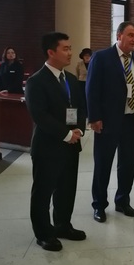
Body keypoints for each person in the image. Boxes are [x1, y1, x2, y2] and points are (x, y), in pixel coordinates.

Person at [25, 32, 86, 251]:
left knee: (67, 189)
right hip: (48, 147)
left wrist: (79, 128)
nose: (70, 53)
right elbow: (40, 116)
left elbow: (80, 107)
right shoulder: (36, 81)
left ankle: (63, 225)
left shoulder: (70, 79)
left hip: (71, 145)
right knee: (43, 192)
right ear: (51, 52)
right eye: (65, 49)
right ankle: (43, 233)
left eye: (70, 48)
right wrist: (67, 134)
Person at [86, 21, 134, 223]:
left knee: (128, 164)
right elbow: (92, 89)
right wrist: (94, 117)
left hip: (131, 120)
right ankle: (99, 205)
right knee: (103, 164)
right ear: (119, 35)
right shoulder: (102, 57)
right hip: (108, 121)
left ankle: (122, 200)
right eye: (130, 35)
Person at [75, 48, 92, 116]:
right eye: (85, 55)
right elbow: (77, 73)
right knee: (82, 98)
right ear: (83, 56)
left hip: (90, 83)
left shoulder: (93, 63)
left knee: (89, 98)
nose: (87, 57)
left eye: (88, 55)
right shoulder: (79, 64)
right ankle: (83, 113)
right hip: (81, 83)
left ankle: (89, 112)